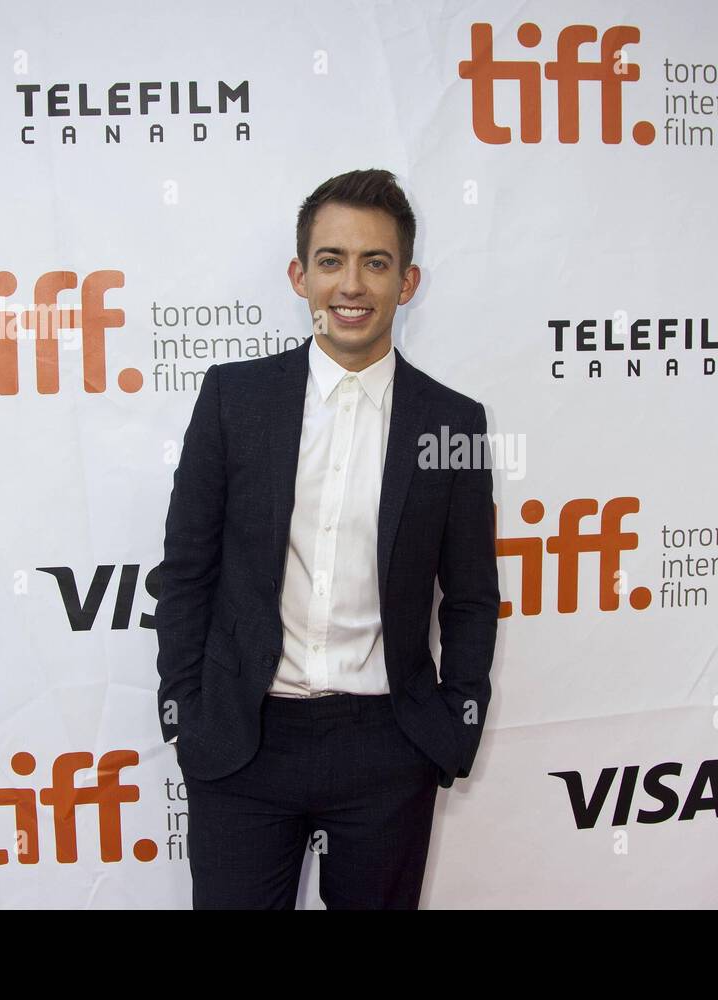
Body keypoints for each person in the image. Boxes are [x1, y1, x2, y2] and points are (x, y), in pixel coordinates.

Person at [154, 168, 499, 909]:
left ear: (407, 283)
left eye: (376, 262)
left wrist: (449, 727)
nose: (352, 285)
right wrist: (187, 710)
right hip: (244, 740)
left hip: (387, 743)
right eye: (331, 260)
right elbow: (184, 571)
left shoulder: (452, 423)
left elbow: (471, 596)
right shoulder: (232, 400)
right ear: (299, 275)